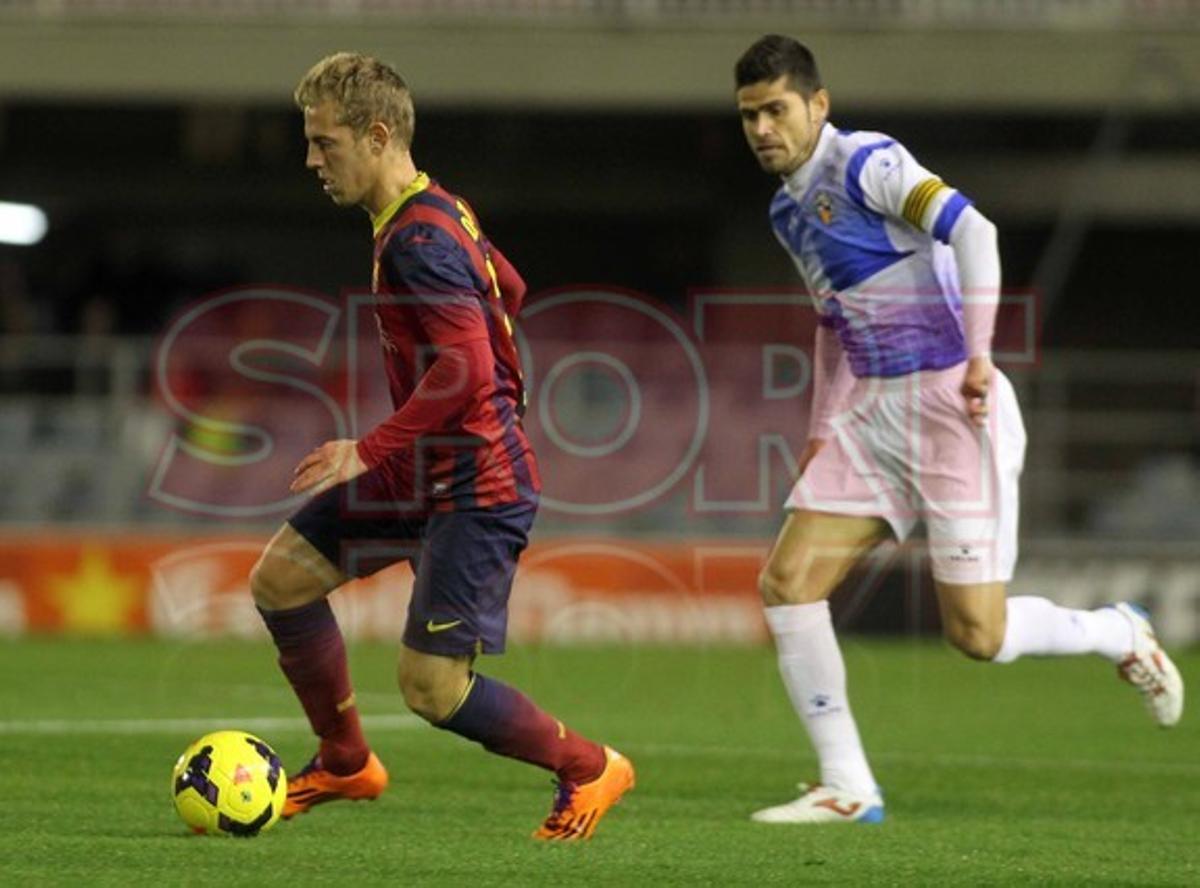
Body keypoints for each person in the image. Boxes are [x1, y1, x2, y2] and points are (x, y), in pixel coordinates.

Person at [734, 35, 1184, 825]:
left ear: (818, 105)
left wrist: (980, 356)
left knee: (979, 635)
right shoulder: (786, 211)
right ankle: (849, 787)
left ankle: (1116, 631)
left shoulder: (869, 162)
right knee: (786, 583)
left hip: (951, 406)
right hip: (872, 416)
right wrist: (819, 428)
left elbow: (975, 232)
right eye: (749, 116)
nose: (764, 128)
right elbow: (833, 323)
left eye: (776, 109)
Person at [249, 52, 633, 840]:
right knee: (283, 580)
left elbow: (466, 366)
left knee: (431, 688)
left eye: (325, 143)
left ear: (378, 133)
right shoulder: (440, 211)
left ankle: (590, 766)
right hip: (422, 469)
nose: (312, 159)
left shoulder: (418, 241)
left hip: (474, 485)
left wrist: (370, 445)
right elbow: (512, 290)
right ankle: (347, 761)